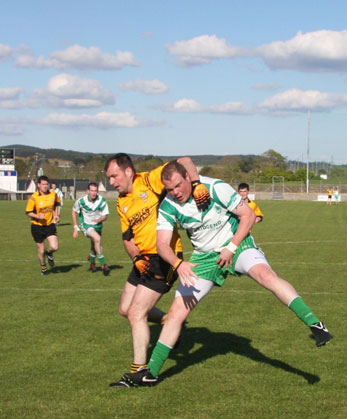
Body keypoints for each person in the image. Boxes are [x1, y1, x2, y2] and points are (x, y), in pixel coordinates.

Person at [121, 161, 332, 387]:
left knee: (265, 276)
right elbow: (162, 244)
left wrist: (231, 247)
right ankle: (150, 373)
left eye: (179, 186)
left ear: (187, 177)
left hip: (236, 243)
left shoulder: (213, 188)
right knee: (175, 314)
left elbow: (248, 216)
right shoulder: (168, 205)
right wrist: (178, 263)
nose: (176, 193)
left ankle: (315, 325)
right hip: (204, 257)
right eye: (170, 189)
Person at [105, 153, 208, 387]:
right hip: (143, 260)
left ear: (128, 172)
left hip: (165, 257)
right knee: (124, 309)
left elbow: (184, 160)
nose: (111, 181)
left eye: (114, 175)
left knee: (136, 313)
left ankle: (139, 371)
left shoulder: (149, 181)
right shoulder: (121, 201)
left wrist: (196, 183)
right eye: (108, 177)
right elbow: (127, 237)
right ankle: (169, 321)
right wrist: (135, 257)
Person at [72, 182, 110, 275]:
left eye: (95, 191)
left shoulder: (102, 201)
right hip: (86, 225)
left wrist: (99, 219)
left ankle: (92, 260)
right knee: (97, 239)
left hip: (98, 226)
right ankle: (103, 264)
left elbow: (105, 215)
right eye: (92, 190)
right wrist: (75, 227)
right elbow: (73, 211)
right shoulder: (81, 201)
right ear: (88, 191)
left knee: (96, 246)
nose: (93, 193)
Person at [25, 175, 61, 275]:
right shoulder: (34, 197)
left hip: (49, 225)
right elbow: (28, 212)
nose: (45, 186)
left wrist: (57, 215)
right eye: (43, 184)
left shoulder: (53, 194)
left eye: (46, 184)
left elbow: (56, 205)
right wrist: (37, 216)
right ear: (39, 185)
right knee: (40, 250)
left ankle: (49, 253)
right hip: (37, 227)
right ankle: (44, 268)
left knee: (54, 247)